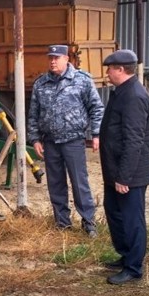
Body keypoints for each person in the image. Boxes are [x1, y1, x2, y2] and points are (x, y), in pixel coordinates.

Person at [27, 44, 104, 237]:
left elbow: (96, 108)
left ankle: (88, 222)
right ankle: (62, 222)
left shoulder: (82, 80)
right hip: (50, 142)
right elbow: (33, 114)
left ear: (66, 59)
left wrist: (96, 134)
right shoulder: (41, 84)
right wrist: (35, 139)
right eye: (50, 57)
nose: (53, 61)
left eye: (57, 58)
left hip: (73, 141)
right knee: (56, 183)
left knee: (79, 182)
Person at [99, 49, 149, 285]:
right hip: (116, 170)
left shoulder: (134, 96)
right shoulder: (122, 92)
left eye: (110, 69)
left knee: (132, 219)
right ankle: (125, 255)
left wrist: (124, 177)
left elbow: (134, 141)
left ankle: (134, 267)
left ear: (121, 69)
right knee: (114, 213)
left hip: (129, 174)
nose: (107, 73)